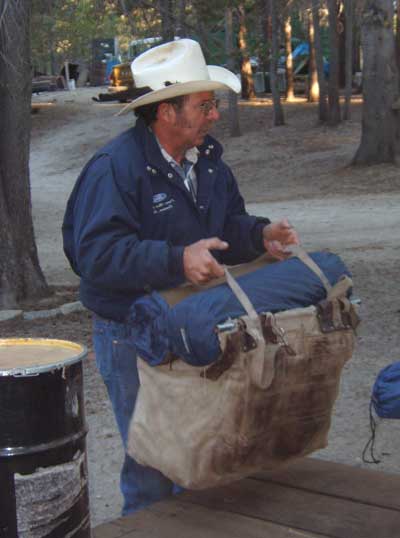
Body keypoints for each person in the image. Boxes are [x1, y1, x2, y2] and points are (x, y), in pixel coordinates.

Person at [62, 38, 300, 516]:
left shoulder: (206, 159)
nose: (214, 115)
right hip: (131, 334)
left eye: (213, 104)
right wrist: (176, 260)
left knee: (200, 454)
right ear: (165, 113)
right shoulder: (116, 168)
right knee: (153, 468)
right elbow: (95, 256)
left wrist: (259, 235)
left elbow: (227, 225)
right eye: (205, 105)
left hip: (191, 321)